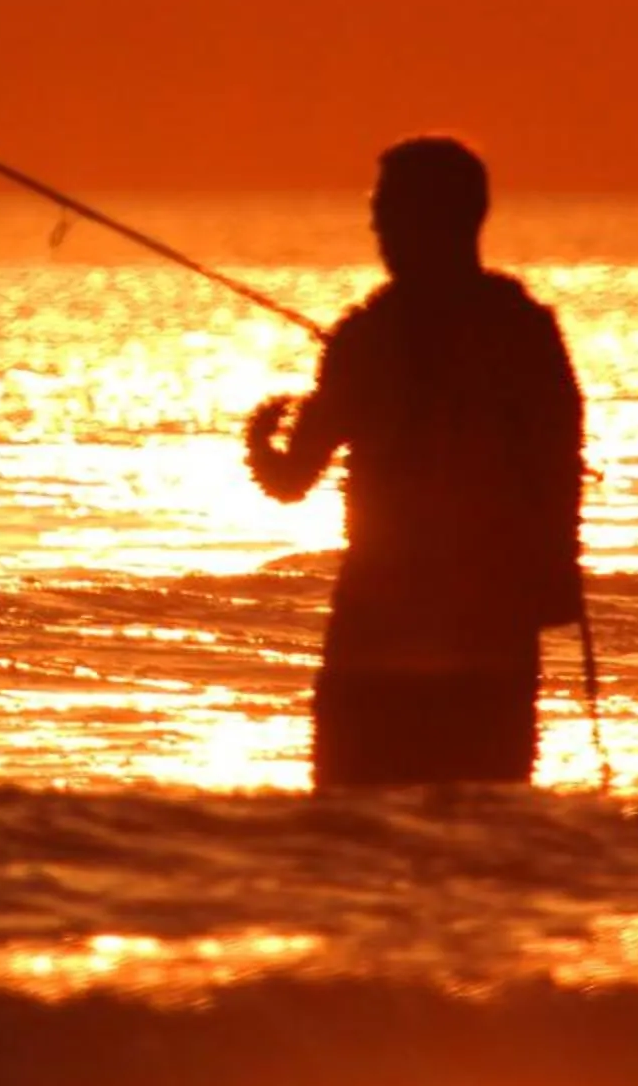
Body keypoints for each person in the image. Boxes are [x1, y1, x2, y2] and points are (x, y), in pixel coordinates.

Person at [244, 136, 585, 788]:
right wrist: (557, 574)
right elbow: (560, 461)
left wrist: (262, 432)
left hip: (382, 619)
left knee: (358, 808)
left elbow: (290, 480)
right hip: (494, 620)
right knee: (490, 808)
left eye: (386, 207)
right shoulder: (523, 329)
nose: (374, 223)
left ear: (425, 218)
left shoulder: (370, 335)